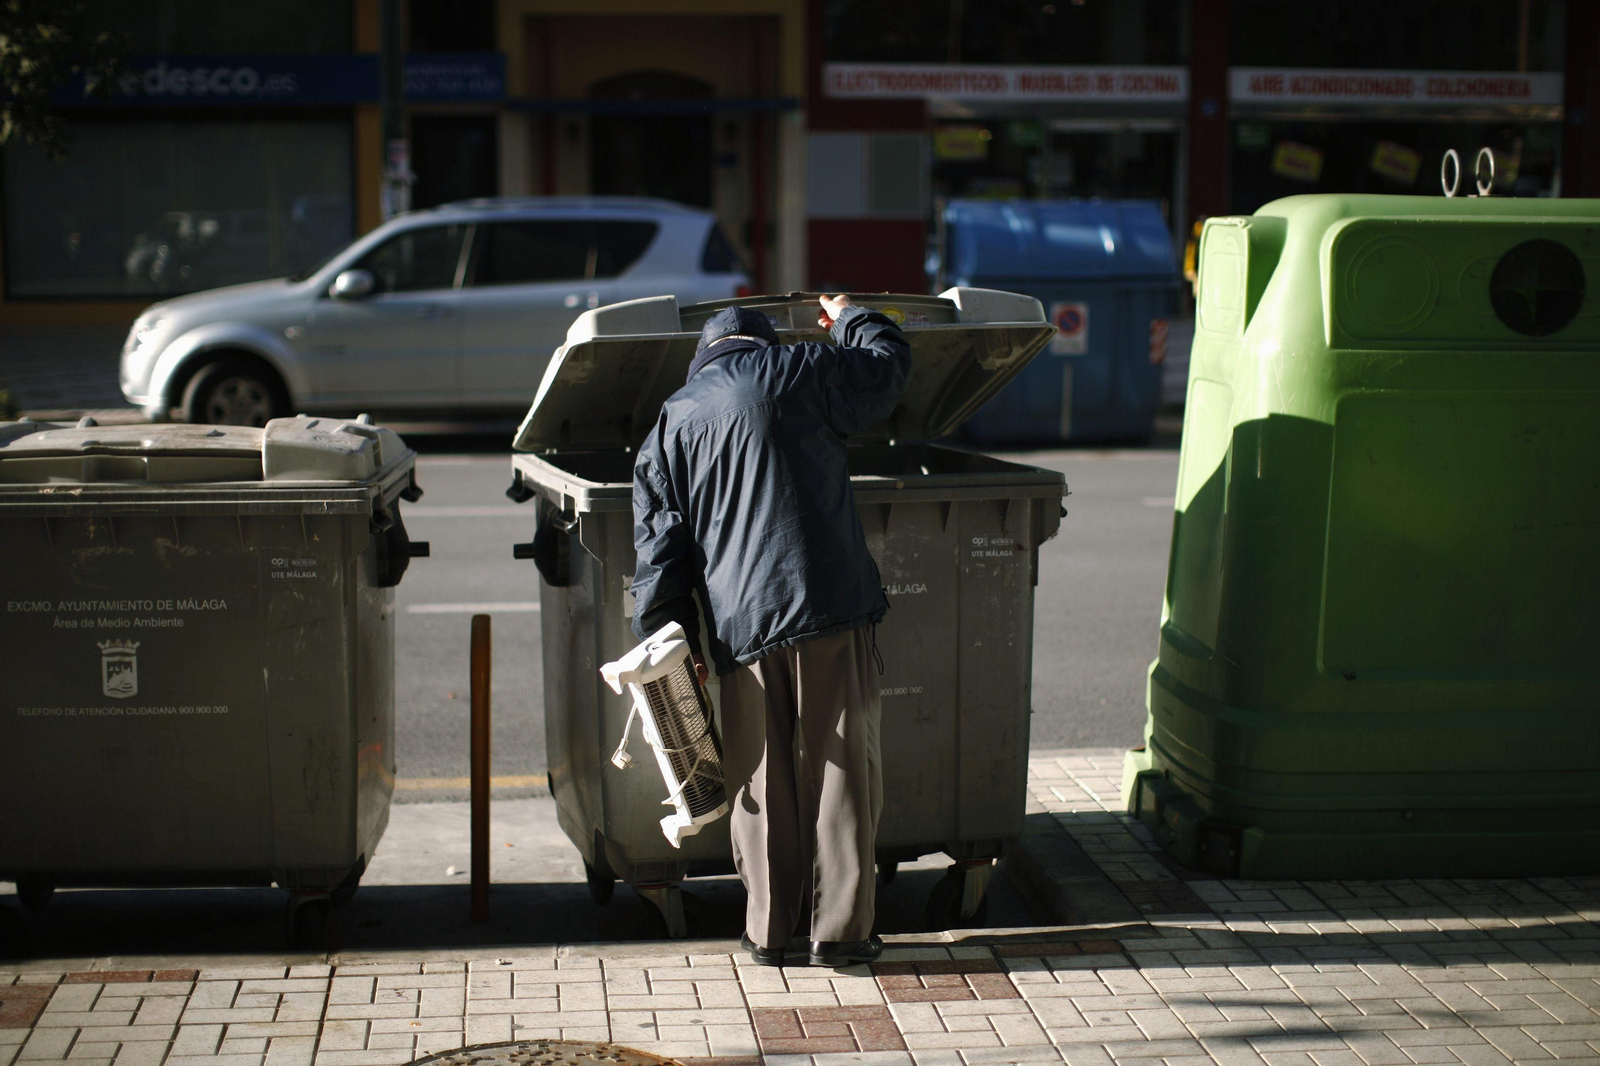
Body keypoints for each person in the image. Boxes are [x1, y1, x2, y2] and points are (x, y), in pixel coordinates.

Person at [630, 293, 913, 967]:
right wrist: (850, 315)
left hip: (738, 626)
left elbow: (658, 554)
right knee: (839, 769)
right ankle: (840, 934)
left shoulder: (670, 423)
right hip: (826, 606)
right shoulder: (802, 370)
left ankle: (768, 932)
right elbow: (888, 367)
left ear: (704, 360)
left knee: (760, 778)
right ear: (762, 346)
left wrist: (677, 644)